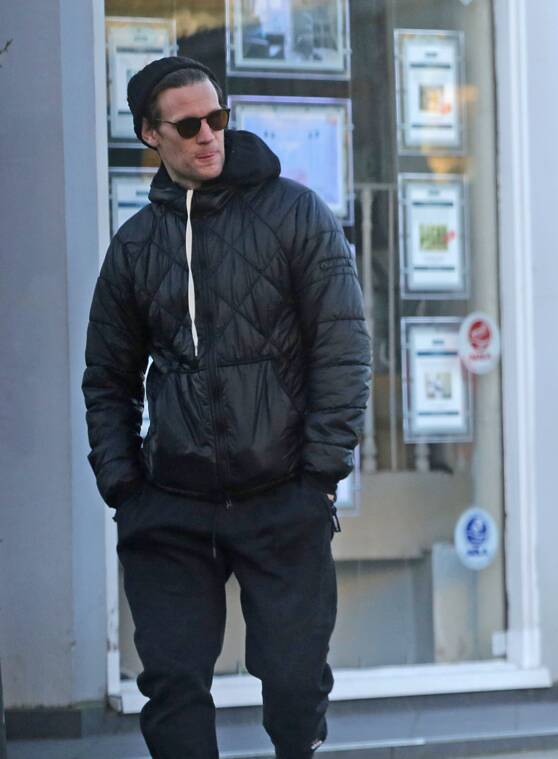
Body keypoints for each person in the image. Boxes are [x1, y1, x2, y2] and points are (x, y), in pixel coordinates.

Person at [82, 56, 371, 759]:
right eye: (188, 125)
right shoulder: (136, 246)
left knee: (295, 685)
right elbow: (107, 377)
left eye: (217, 117)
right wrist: (126, 489)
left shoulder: (294, 213)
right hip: (172, 507)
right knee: (173, 687)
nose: (208, 134)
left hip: (282, 494)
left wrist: (319, 474)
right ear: (151, 134)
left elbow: (343, 347)